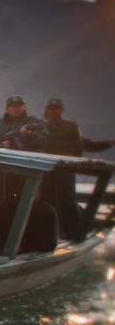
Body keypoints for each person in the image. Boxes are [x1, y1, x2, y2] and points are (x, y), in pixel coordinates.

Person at [40, 98, 113, 239]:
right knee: (46, 200)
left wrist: (106, 144)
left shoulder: (70, 126)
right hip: (46, 169)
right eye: (51, 108)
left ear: (62, 110)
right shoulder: (41, 127)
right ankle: (47, 231)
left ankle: (72, 231)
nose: (54, 111)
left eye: (56, 108)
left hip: (65, 169)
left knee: (67, 200)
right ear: (46, 110)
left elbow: (82, 145)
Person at [0, 95, 47, 209]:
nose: (16, 108)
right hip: (4, 171)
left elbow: (44, 142)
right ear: (7, 109)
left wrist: (30, 136)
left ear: (24, 107)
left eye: (19, 106)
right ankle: (1, 226)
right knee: (3, 202)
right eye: (12, 106)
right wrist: (2, 145)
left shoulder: (34, 122)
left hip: (28, 170)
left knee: (29, 203)